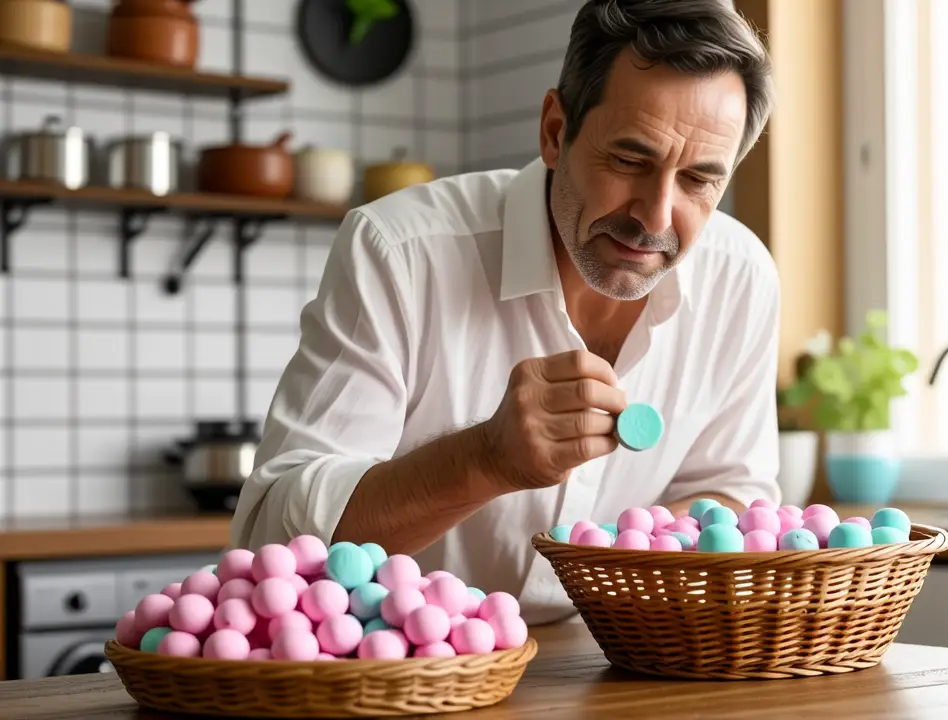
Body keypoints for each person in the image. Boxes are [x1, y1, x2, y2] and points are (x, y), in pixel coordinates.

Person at [230, 0, 780, 625]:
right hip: (403, 676)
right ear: (554, 131)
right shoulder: (399, 253)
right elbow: (272, 544)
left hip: (614, 669)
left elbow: (732, 501)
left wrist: (631, 562)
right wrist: (483, 459)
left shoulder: (742, 279)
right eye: (630, 161)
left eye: (700, 180)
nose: (656, 217)